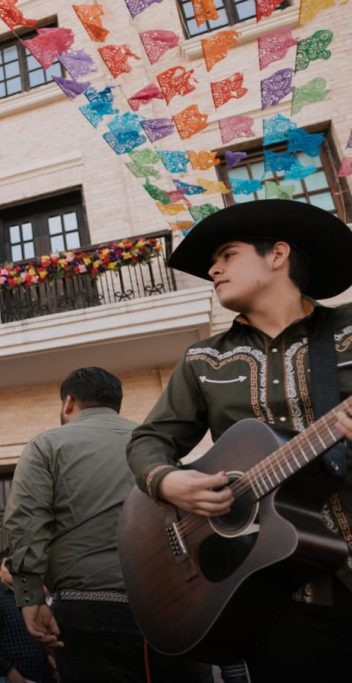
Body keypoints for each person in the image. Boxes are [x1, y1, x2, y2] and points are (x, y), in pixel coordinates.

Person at [126, 200, 352, 682]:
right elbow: (148, 441)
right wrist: (167, 483)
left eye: (227, 254)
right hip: (277, 598)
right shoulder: (203, 360)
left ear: (277, 256)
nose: (213, 268)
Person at [5, 367, 210, 682]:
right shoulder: (154, 448)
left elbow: (26, 522)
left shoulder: (46, 445)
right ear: (117, 404)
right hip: (168, 608)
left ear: (68, 403)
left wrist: (29, 598)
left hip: (86, 610)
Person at [0, 549, 54, 683]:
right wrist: (10, 671)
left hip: (40, 673)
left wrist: (47, 656)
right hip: (13, 677)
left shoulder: (28, 597)